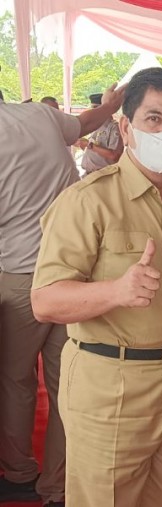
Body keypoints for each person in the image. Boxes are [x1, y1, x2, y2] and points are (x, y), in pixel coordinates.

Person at [30, 68, 162, 507]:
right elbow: (44, 301)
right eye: (154, 119)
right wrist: (115, 292)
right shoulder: (87, 201)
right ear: (125, 126)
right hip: (112, 388)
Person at [0, 84, 124, 507]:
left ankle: (20, 474)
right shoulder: (38, 114)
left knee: (16, 380)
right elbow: (87, 122)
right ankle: (58, 485)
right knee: (66, 383)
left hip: (18, 275)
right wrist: (112, 103)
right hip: (74, 272)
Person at [79, 92, 124, 175]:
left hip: (103, 175)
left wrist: (90, 145)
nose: (93, 111)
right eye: (92, 108)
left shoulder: (114, 128)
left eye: (96, 108)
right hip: (89, 174)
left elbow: (114, 156)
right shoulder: (95, 127)